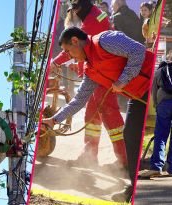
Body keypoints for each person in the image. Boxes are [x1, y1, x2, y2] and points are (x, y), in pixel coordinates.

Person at [43, 27, 155, 202]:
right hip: (137, 95)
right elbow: (78, 101)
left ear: (75, 41)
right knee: (130, 136)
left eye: (67, 51)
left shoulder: (105, 40)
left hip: (154, 85)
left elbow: (138, 50)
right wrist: (54, 120)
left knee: (132, 136)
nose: (69, 55)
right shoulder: (90, 70)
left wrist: (123, 80)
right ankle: (133, 190)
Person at [51, 0, 128, 168]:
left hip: (101, 74)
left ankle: (124, 159)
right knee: (92, 117)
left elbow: (76, 46)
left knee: (110, 115)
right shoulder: (95, 15)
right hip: (98, 71)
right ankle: (90, 157)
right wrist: (77, 65)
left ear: (84, 5)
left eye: (76, 8)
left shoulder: (92, 20)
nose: (75, 12)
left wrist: (55, 62)